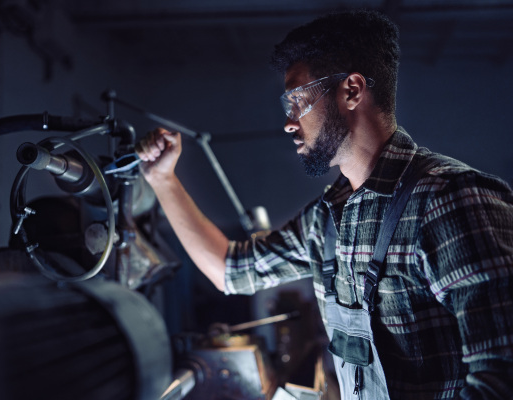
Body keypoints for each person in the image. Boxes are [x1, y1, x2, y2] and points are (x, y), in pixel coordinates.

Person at [136, 9, 513, 400]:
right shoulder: (327, 220)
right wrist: (163, 180)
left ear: (351, 91)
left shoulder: (450, 200)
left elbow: (501, 379)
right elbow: (231, 271)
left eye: (297, 100)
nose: (288, 122)